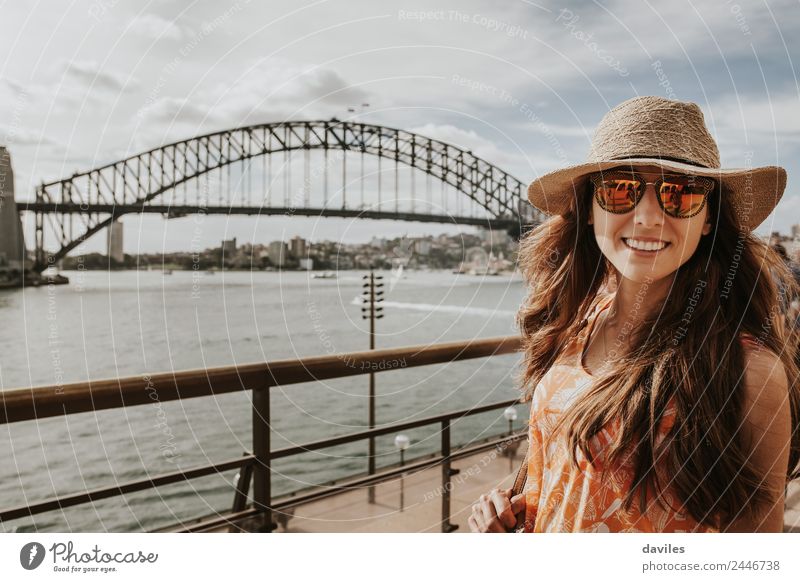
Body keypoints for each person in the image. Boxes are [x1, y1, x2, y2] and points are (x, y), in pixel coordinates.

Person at [469, 96, 800, 533]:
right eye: (619, 190)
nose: (647, 216)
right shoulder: (575, 327)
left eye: (679, 194)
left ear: (708, 219)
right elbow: (559, 476)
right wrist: (508, 510)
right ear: (589, 209)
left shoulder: (746, 371)